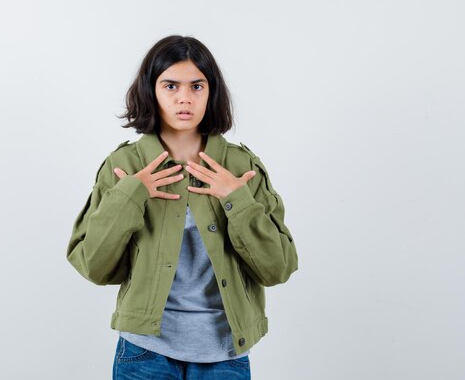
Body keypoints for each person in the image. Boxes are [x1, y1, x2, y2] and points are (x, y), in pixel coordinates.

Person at [66, 35, 299, 380]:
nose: (184, 98)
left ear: (212, 92)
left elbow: (278, 268)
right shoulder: (124, 164)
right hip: (144, 352)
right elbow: (95, 267)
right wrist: (132, 195)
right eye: (171, 85)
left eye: (197, 86)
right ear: (151, 91)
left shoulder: (240, 166)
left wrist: (236, 200)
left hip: (226, 353)